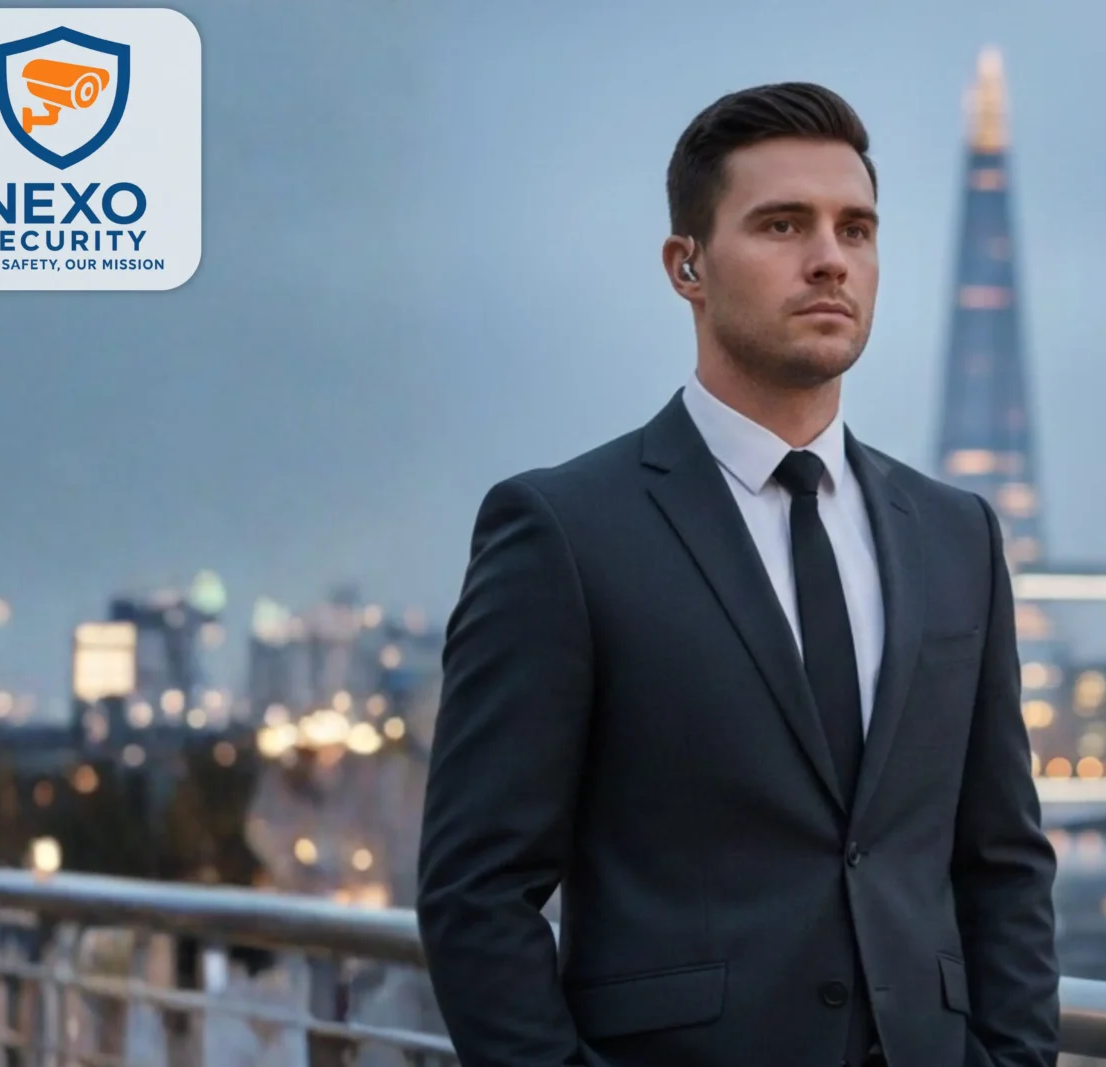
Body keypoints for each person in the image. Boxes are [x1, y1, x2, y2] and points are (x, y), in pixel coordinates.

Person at [414, 82, 1059, 1067]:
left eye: (856, 228)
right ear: (687, 266)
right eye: (781, 224)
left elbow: (1001, 860)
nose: (829, 258)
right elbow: (476, 891)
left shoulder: (955, 533)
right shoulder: (564, 531)